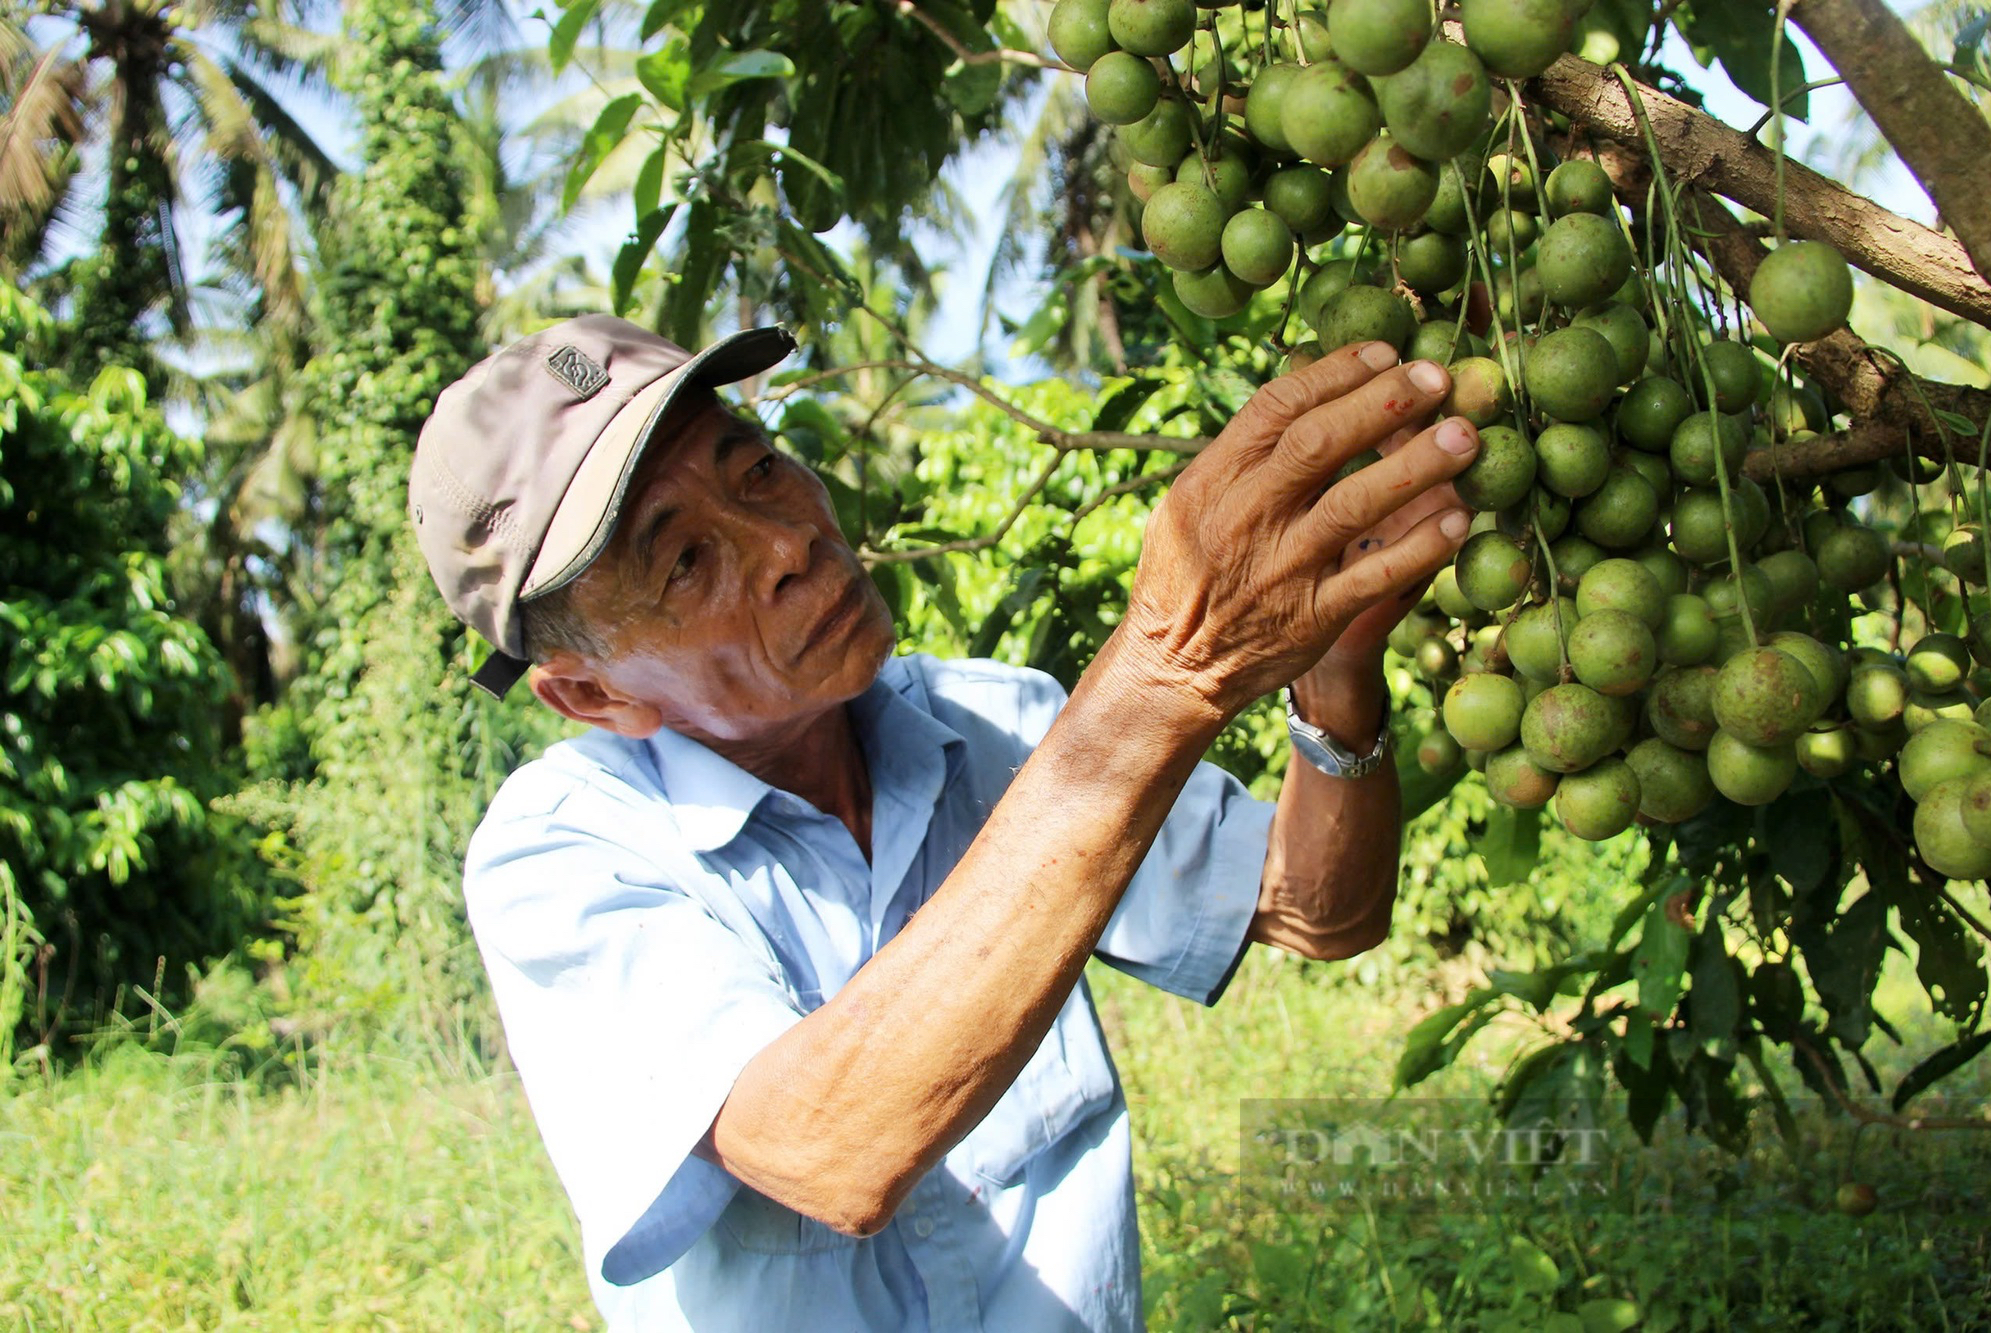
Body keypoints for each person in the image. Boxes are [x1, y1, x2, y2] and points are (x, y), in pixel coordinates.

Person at [408, 314, 1476, 1331]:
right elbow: (832, 1144)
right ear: (594, 696)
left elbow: (1317, 907)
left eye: (759, 470)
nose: (787, 542)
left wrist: (1335, 670)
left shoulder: (986, 722)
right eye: (683, 559)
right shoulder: (560, 855)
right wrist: (1163, 670)